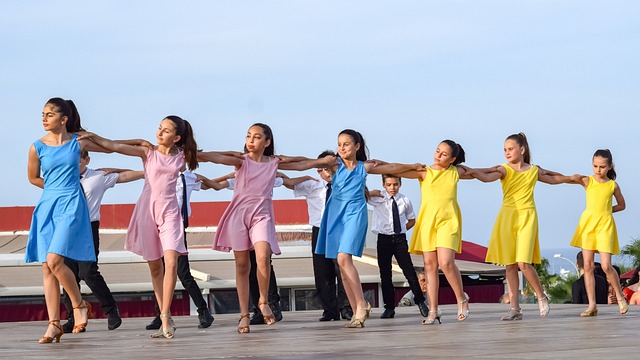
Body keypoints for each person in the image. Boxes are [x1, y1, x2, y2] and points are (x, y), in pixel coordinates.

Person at [197, 123, 333, 333]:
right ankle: (244, 315)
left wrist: (322, 162)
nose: (251, 140)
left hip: (261, 216)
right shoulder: (241, 161)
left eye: (257, 137)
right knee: (242, 267)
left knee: (263, 257)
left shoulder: (273, 163)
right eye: (249, 136)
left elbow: (299, 164)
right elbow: (218, 158)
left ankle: (263, 301)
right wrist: (199, 155)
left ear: (267, 142)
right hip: (238, 215)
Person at [79, 115, 199, 339]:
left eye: (165, 130)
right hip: (147, 211)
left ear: (177, 137)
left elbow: (219, 157)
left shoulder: (182, 157)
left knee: (171, 262)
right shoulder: (148, 152)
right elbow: (116, 146)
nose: (159, 132)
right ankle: (165, 314)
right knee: (155, 267)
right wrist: (95, 136)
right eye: (159, 128)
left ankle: (165, 315)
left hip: (171, 212)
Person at [315, 129, 424, 328]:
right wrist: (276, 160)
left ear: (357, 146)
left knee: (343, 258)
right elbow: (305, 162)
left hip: (355, 213)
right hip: (336, 214)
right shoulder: (334, 164)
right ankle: (358, 307)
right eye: (339, 144)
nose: (341, 148)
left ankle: (361, 305)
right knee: (341, 263)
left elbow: (391, 166)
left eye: (346, 144)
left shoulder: (363, 167)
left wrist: (413, 167)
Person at [27, 98, 115, 343]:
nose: (44, 118)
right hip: (48, 205)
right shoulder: (37, 147)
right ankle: (54, 323)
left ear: (63, 119)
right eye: (42, 114)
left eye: (49, 114)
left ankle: (79, 305)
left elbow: (109, 147)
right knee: (47, 266)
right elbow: (33, 177)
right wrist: (54, 188)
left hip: (72, 204)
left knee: (55, 260)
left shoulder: (78, 142)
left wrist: (90, 134)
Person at [382, 140, 495, 324]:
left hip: (449, 220)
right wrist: (379, 166)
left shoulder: (455, 172)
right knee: (429, 265)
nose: (438, 155)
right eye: (437, 151)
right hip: (428, 221)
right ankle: (433, 310)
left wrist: (492, 170)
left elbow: (478, 174)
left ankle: (462, 298)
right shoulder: (424, 171)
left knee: (446, 262)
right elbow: (395, 169)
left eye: (443, 154)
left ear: (452, 159)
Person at [472, 132, 574, 321]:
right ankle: (514, 309)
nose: (507, 153)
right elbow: (486, 177)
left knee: (523, 263)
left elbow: (553, 179)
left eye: (510, 149)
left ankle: (541, 296)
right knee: (510, 265)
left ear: (522, 149)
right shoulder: (503, 169)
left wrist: (572, 178)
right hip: (507, 216)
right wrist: (471, 171)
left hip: (527, 216)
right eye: (504, 150)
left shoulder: (534, 171)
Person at [61, 151, 143, 333]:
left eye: (76, 161)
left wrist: (121, 169)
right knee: (68, 275)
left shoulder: (98, 176)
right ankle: (72, 317)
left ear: (86, 160)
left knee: (88, 272)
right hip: (66, 229)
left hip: (88, 228)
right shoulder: (62, 177)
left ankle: (111, 310)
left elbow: (128, 176)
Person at [285, 150, 353, 322]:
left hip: (339, 230)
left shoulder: (343, 183)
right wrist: (305, 178)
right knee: (322, 272)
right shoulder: (313, 185)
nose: (329, 172)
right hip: (319, 230)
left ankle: (345, 307)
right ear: (319, 170)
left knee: (342, 270)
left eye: (332, 167)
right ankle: (329, 310)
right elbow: (288, 182)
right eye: (325, 168)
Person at [145, 169, 215, 331]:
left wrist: (228, 177)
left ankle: (203, 311)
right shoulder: (161, 174)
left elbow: (210, 184)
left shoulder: (190, 177)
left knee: (183, 273)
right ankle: (162, 313)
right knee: (160, 272)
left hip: (177, 227)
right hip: (160, 226)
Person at [568, 149, 628, 317]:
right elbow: (567, 179)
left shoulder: (612, 185)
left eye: (602, 166)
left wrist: (607, 212)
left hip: (605, 225)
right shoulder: (588, 181)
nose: (598, 170)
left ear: (609, 166)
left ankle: (620, 295)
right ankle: (592, 305)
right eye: (595, 166)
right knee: (587, 265)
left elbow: (622, 205)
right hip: (588, 225)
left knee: (606, 266)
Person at [368, 174, 428, 320]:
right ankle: (389, 307)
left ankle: (420, 301)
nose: (392, 188)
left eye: (395, 184)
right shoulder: (378, 198)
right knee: (385, 273)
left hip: (400, 239)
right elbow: (359, 196)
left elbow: (412, 220)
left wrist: (401, 229)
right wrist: (371, 193)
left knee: (409, 271)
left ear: (400, 184)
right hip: (383, 239)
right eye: (389, 185)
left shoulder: (404, 200)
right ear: (384, 185)